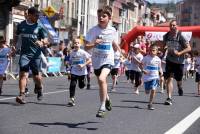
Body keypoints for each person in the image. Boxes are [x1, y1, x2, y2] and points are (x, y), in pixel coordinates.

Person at [84, 5, 120, 118]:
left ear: (109, 18)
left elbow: (114, 43)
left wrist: (120, 53)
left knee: (101, 79)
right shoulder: (93, 30)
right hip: (96, 61)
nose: (101, 18)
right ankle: (107, 99)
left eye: (104, 16)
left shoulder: (113, 30)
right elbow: (86, 47)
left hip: (108, 60)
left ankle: (102, 107)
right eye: (99, 16)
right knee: (101, 83)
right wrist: (95, 43)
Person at [15, 7, 48, 104]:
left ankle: (39, 87)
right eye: (36, 15)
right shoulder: (21, 25)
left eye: (38, 15)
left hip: (36, 55)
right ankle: (22, 95)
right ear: (29, 15)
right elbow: (18, 39)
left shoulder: (39, 26)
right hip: (24, 54)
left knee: (36, 76)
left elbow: (46, 39)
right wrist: (14, 48)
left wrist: (42, 42)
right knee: (23, 74)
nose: (37, 17)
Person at [163, 20, 191, 105]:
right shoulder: (166, 36)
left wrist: (179, 53)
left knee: (179, 79)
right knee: (169, 78)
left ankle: (180, 86)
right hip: (170, 60)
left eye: (174, 25)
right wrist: (164, 48)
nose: (172, 27)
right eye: (171, 25)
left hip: (179, 61)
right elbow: (164, 45)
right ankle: (169, 98)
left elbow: (189, 48)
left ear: (177, 26)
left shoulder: (181, 36)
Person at [67, 38, 91, 106]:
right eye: (75, 43)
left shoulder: (83, 52)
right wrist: (69, 66)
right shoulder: (71, 52)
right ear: (73, 44)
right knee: (72, 85)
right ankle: (71, 99)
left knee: (81, 86)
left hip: (82, 72)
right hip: (74, 71)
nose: (76, 44)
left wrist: (83, 65)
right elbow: (71, 61)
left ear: (80, 44)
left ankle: (84, 82)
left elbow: (89, 60)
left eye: (78, 43)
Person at [140, 44, 163, 110]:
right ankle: (147, 89)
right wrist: (143, 70)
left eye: (153, 50)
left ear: (156, 51)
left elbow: (159, 67)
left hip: (155, 77)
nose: (151, 52)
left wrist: (161, 72)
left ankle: (150, 103)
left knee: (153, 89)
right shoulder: (146, 58)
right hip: (147, 77)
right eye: (150, 50)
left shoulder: (158, 59)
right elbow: (141, 65)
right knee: (147, 92)